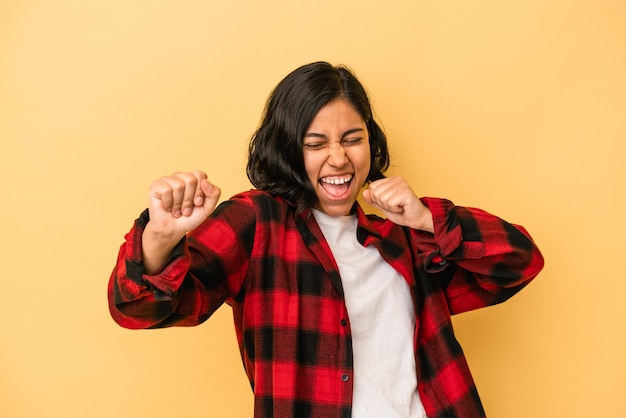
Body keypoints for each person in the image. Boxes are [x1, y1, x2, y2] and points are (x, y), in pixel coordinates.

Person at [108, 61, 544, 418]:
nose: (339, 157)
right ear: (289, 150)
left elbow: (519, 262)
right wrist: (160, 237)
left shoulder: (404, 240)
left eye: (352, 139)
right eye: (316, 143)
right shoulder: (258, 221)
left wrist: (427, 218)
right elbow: (137, 309)